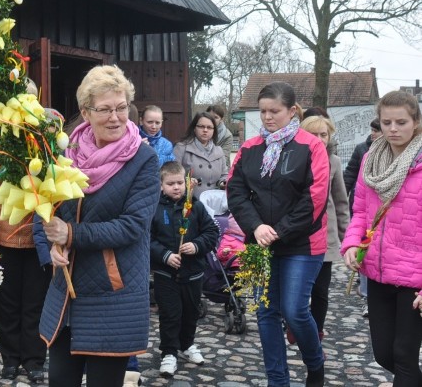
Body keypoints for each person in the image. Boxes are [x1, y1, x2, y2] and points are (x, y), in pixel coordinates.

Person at [39, 65, 159, 387]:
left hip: (112, 293)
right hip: (67, 293)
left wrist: (72, 234)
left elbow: (132, 226)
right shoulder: (67, 153)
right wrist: (49, 247)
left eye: (121, 108)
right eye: (104, 109)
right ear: (85, 112)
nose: (115, 117)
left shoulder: (143, 160)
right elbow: (43, 210)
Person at [226, 82, 330, 387]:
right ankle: (278, 381)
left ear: (292, 111)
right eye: (263, 112)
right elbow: (236, 191)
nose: (267, 118)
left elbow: (315, 197)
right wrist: (256, 226)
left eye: (275, 111)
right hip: (260, 242)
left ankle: (315, 363)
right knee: (266, 313)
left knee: (295, 310)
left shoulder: (311, 146)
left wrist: (280, 231)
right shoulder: (249, 148)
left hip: (302, 243)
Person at [0, 82, 48, 384]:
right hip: (2, 234)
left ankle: (34, 359)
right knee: (6, 302)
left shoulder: (44, 137)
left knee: (35, 302)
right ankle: (10, 359)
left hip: (38, 235)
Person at [341, 90, 422, 386]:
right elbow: (360, 211)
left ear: (415, 121)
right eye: (386, 122)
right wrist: (351, 243)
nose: (393, 129)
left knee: (403, 355)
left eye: (401, 122)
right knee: (383, 354)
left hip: (415, 279)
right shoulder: (370, 160)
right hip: (378, 271)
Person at [150, 161, 219, 378]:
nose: (176, 187)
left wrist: (196, 245)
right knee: (170, 314)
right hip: (165, 273)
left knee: (190, 312)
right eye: (170, 184)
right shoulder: (155, 208)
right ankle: (169, 352)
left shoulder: (196, 207)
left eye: (180, 183)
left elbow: (211, 233)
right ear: (161, 185)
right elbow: (148, 239)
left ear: (187, 184)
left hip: (193, 272)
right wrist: (165, 255)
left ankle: (187, 345)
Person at [296, 116, 349, 345]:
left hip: (325, 235)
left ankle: (316, 333)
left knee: (320, 291)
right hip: (296, 234)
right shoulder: (294, 158)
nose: (319, 139)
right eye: (314, 134)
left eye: (324, 135)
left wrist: (347, 238)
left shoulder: (334, 161)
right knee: (296, 290)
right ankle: (295, 323)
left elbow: (340, 201)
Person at [342, 117, 381, 313]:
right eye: (373, 130)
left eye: (377, 130)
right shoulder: (362, 150)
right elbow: (350, 175)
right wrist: (343, 195)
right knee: (364, 252)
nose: (374, 134)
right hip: (365, 214)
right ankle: (367, 295)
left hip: (387, 218)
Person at [173, 112, 228, 200]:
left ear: (214, 131)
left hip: (213, 202)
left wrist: (223, 183)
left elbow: (224, 175)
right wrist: (186, 182)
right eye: (201, 126)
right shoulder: (181, 148)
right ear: (194, 128)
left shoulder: (219, 151)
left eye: (209, 127)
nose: (205, 130)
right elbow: (173, 175)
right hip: (189, 202)